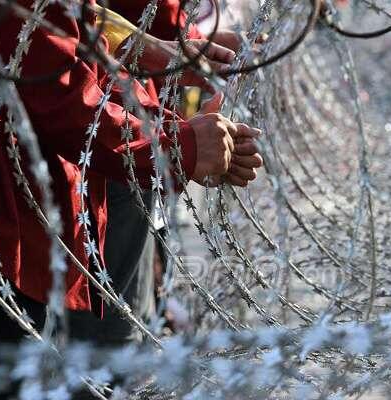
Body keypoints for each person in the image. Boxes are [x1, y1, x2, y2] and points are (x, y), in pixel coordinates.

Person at [0, 0, 261, 345]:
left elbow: (82, 52)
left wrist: (180, 140)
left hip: (42, 185)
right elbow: (57, 87)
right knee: (36, 360)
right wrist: (176, 148)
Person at [66, 2, 262, 342]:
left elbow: (84, 20)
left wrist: (181, 141)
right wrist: (179, 145)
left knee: (123, 329)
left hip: (124, 137)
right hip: (90, 160)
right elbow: (54, 73)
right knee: (101, 346)